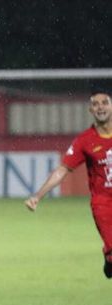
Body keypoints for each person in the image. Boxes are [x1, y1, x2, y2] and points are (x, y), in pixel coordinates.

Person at [25, 91, 112, 278]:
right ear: (90, 110)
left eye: (105, 103)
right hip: (103, 203)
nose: (101, 107)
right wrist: (37, 196)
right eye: (96, 104)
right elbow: (63, 170)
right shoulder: (85, 141)